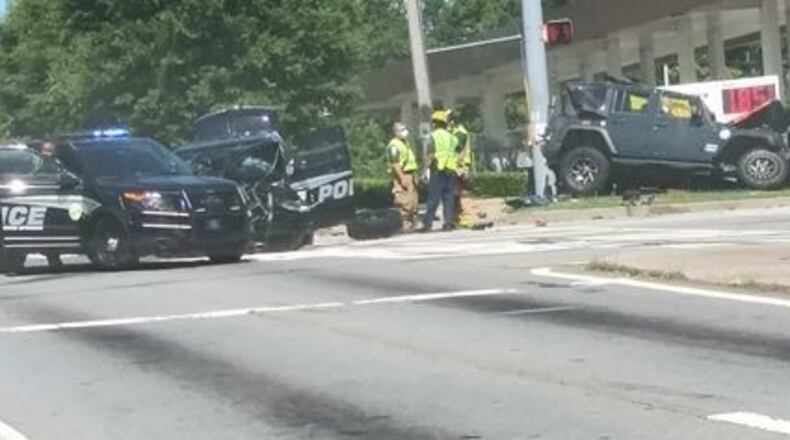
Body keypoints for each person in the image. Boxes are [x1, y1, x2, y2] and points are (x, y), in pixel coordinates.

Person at [420, 110, 460, 232]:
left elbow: (430, 155)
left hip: (438, 169)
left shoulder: (432, 137)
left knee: (433, 198)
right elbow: (457, 152)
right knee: (448, 198)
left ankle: (427, 224)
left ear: (435, 123)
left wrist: (424, 171)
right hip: (451, 169)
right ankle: (448, 223)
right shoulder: (452, 137)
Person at [387, 122, 420, 232]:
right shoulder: (394, 145)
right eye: (401, 130)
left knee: (413, 200)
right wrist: (402, 178)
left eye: (405, 129)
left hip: (410, 174)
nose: (405, 131)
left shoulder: (405, 143)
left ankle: (414, 223)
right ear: (395, 132)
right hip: (402, 174)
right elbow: (395, 164)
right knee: (404, 200)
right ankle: (404, 224)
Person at [448, 111, 476, 229]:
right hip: (457, 166)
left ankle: (466, 218)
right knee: (454, 193)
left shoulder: (460, 133)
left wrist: (452, 165)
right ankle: (456, 219)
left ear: (452, 121)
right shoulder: (455, 132)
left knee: (461, 193)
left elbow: (460, 152)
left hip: (460, 167)